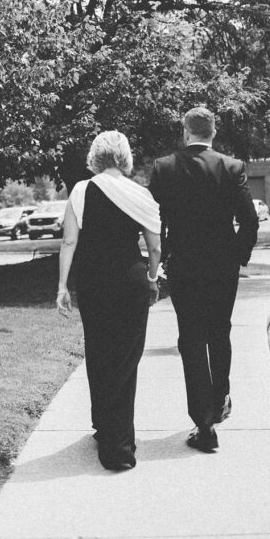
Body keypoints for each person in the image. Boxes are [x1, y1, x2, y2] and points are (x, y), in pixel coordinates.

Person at [149, 106, 259, 453]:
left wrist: (161, 257)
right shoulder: (232, 167)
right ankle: (220, 399)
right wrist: (237, 257)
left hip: (184, 266)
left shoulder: (164, 168)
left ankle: (204, 422)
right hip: (222, 267)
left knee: (192, 338)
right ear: (213, 133)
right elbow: (250, 220)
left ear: (186, 132)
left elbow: (154, 219)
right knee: (220, 332)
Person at [57, 130, 162, 471]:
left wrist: (62, 286)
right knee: (126, 359)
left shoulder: (81, 190)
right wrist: (152, 278)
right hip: (131, 281)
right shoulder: (140, 194)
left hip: (93, 282)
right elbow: (155, 247)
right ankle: (119, 448)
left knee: (99, 352)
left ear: (95, 157)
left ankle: (104, 426)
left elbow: (69, 242)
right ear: (125, 157)